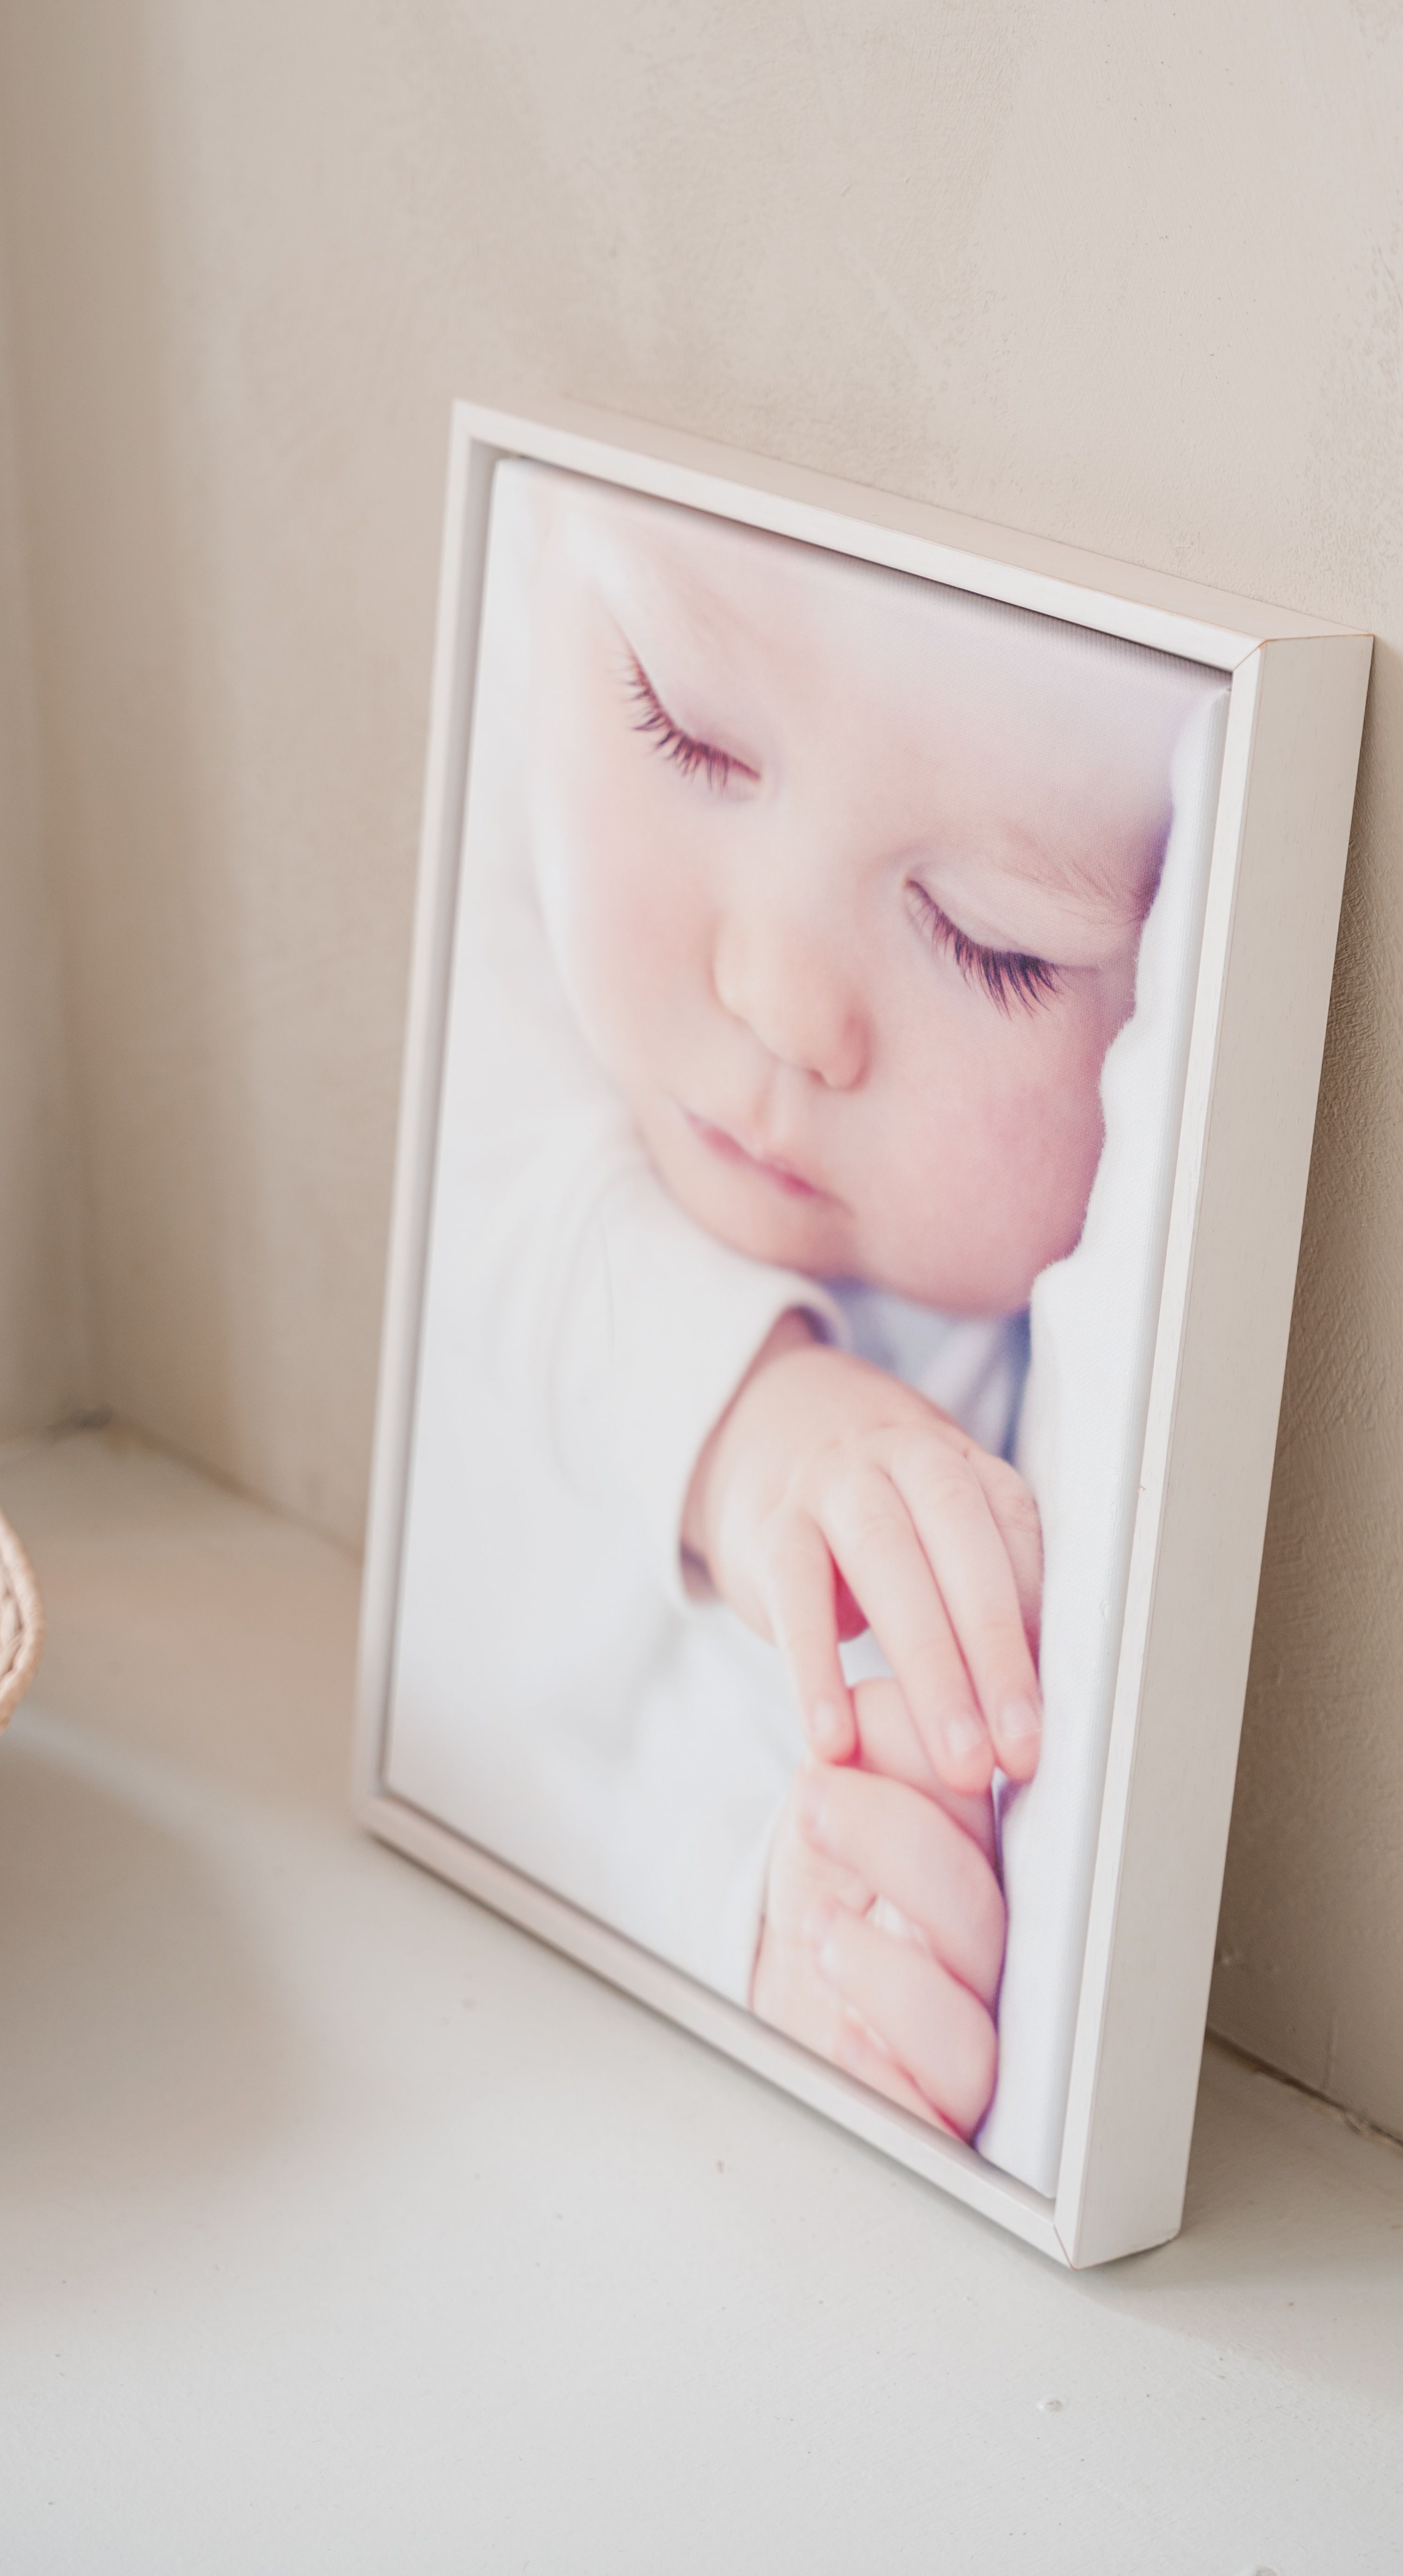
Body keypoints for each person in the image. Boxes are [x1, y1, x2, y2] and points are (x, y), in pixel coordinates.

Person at [385, 462, 1193, 2138]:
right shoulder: (509, 980)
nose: (778, 998)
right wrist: (757, 1426)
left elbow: (688, 1813)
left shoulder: (1075, 1373)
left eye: (994, 947)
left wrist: (811, 1928)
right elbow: (496, 1218)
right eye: (686, 735)